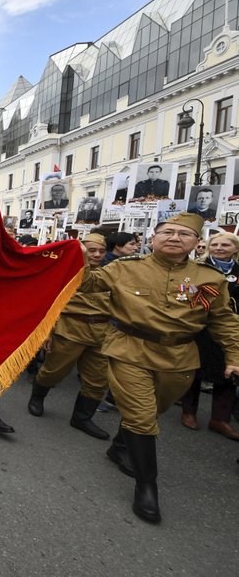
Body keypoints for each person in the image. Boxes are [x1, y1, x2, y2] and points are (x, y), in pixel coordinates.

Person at [78, 213, 239, 523]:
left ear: (195, 243)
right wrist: (82, 259)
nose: (174, 237)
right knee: (140, 415)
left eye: (183, 234)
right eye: (167, 232)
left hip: (179, 358)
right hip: (130, 349)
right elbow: (89, 283)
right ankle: (146, 485)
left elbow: (223, 321)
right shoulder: (125, 268)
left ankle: (119, 446)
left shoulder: (209, 279)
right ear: (152, 239)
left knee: (151, 412)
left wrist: (234, 355)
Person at [27, 233, 112, 440]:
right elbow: (51, 305)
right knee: (54, 371)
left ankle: (82, 418)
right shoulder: (67, 272)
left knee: (97, 380)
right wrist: (47, 333)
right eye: (91, 251)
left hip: (102, 332)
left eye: (101, 251)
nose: (97, 255)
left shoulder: (113, 273)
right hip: (70, 328)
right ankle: (37, 398)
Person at [180, 231, 239, 440]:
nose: (220, 248)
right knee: (194, 370)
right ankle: (188, 412)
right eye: (215, 244)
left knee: (229, 374)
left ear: (235, 248)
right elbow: (185, 294)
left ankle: (220, 419)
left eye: (225, 245)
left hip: (230, 328)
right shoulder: (197, 269)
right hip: (201, 328)